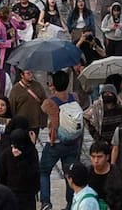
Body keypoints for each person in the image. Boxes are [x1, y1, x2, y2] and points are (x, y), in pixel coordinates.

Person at [40, 70, 84, 210]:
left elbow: (42, 108)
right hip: (73, 143)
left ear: (53, 84)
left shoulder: (49, 103)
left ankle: (46, 202)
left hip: (55, 144)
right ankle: (71, 204)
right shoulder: (74, 97)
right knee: (69, 174)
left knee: (44, 172)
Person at [0, 128, 40, 210]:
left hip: (27, 196)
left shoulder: (31, 152)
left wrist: (21, 160)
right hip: (11, 194)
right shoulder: (6, 154)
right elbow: (2, 176)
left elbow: (34, 174)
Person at [8, 69, 47, 137]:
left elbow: (44, 102)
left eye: (32, 72)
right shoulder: (15, 89)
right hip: (21, 123)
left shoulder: (38, 86)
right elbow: (12, 107)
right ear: (22, 75)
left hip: (35, 123)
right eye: (28, 73)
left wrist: (43, 120)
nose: (31, 75)